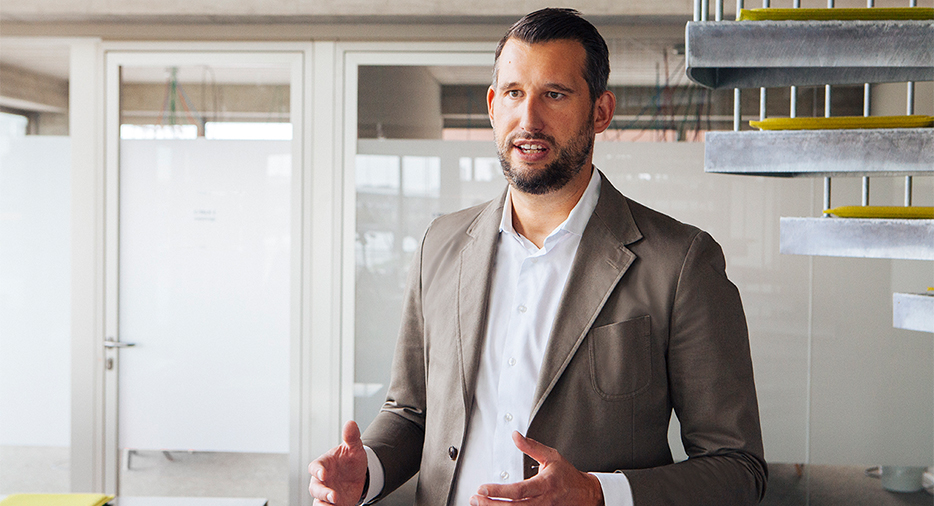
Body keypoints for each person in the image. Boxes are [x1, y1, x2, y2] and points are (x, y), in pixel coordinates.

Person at [309, 7, 767, 506]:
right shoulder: (439, 243)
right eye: (513, 93)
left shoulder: (680, 263)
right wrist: (367, 471)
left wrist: (598, 494)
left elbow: (737, 469)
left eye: (554, 94)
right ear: (492, 105)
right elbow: (412, 412)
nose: (528, 119)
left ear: (601, 111)